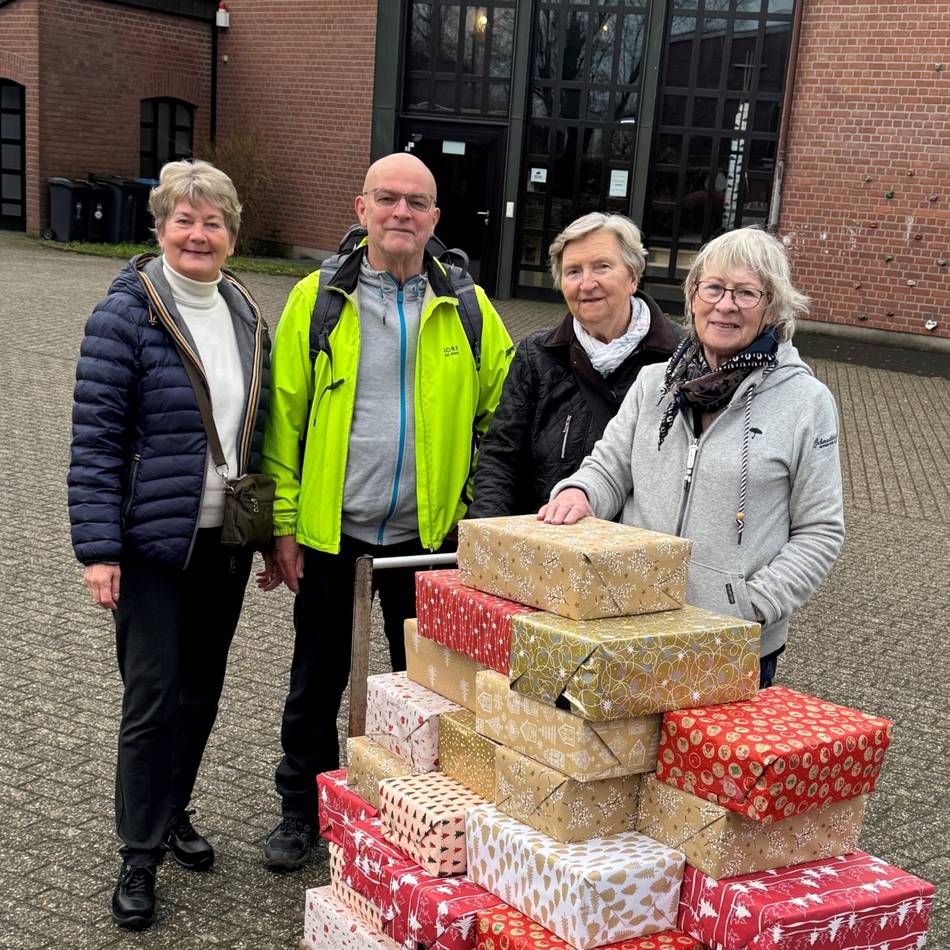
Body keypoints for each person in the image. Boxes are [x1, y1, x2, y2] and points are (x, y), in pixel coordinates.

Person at [261, 152, 513, 869]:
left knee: (429, 690)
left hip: (429, 539)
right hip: (331, 533)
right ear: (361, 208)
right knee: (316, 680)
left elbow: (503, 412)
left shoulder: (468, 307)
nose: (401, 213)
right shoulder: (317, 300)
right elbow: (282, 422)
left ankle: (420, 811)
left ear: (435, 219)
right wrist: (283, 524)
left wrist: (477, 515)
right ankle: (300, 810)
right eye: (387, 199)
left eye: (416, 203)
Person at [67, 160, 273, 929]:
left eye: (213, 221)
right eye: (184, 220)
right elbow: (96, 439)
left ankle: (174, 808)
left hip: (223, 542)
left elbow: (261, 430)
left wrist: (272, 535)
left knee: (200, 692)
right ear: (159, 230)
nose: (198, 234)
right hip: (151, 545)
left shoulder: (245, 310)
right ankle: (138, 853)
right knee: (151, 700)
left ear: (231, 234)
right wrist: (98, 548)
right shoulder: (125, 314)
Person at [540, 227, 844, 688]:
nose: (725, 305)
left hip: (734, 640)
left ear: (772, 307)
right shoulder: (654, 384)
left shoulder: (806, 402)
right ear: (693, 296)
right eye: (714, 288)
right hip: (633, 621)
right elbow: (609, 468)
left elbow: (819, 530)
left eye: (746, 293)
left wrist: (752, 604)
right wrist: (580, 493)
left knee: (707, 763)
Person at [470, 212, 681, 517]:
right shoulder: (536, 354)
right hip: (549, 544)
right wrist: (486, 533)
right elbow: (502, 455)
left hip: (638, 551)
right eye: (573, 272)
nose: (586, 284)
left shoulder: (679, 357)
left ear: (633, 277)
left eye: (602, 267)